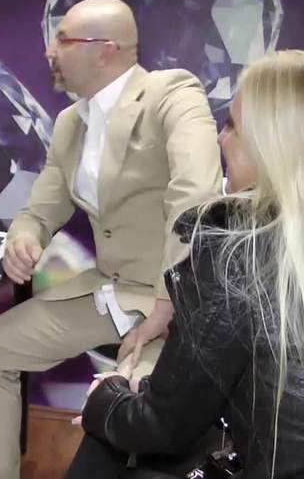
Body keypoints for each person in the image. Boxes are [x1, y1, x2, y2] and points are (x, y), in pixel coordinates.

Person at [0, 0, 223, 479]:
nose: (49, 51)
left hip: (174, 303)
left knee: (132, 411)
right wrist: (24, 237)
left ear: (105, 50)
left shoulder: (172, 94)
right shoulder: (69, 123)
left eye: (62, 39)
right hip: (109, 292)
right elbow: (40, 210)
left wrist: (168, 301)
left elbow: (196, 199)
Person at [67, 50, 304, 479]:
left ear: (272, 146)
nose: (221, 138)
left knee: (103, 446)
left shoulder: (239, 257)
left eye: (232, 126)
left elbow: (161, 425)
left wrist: (105, 398)